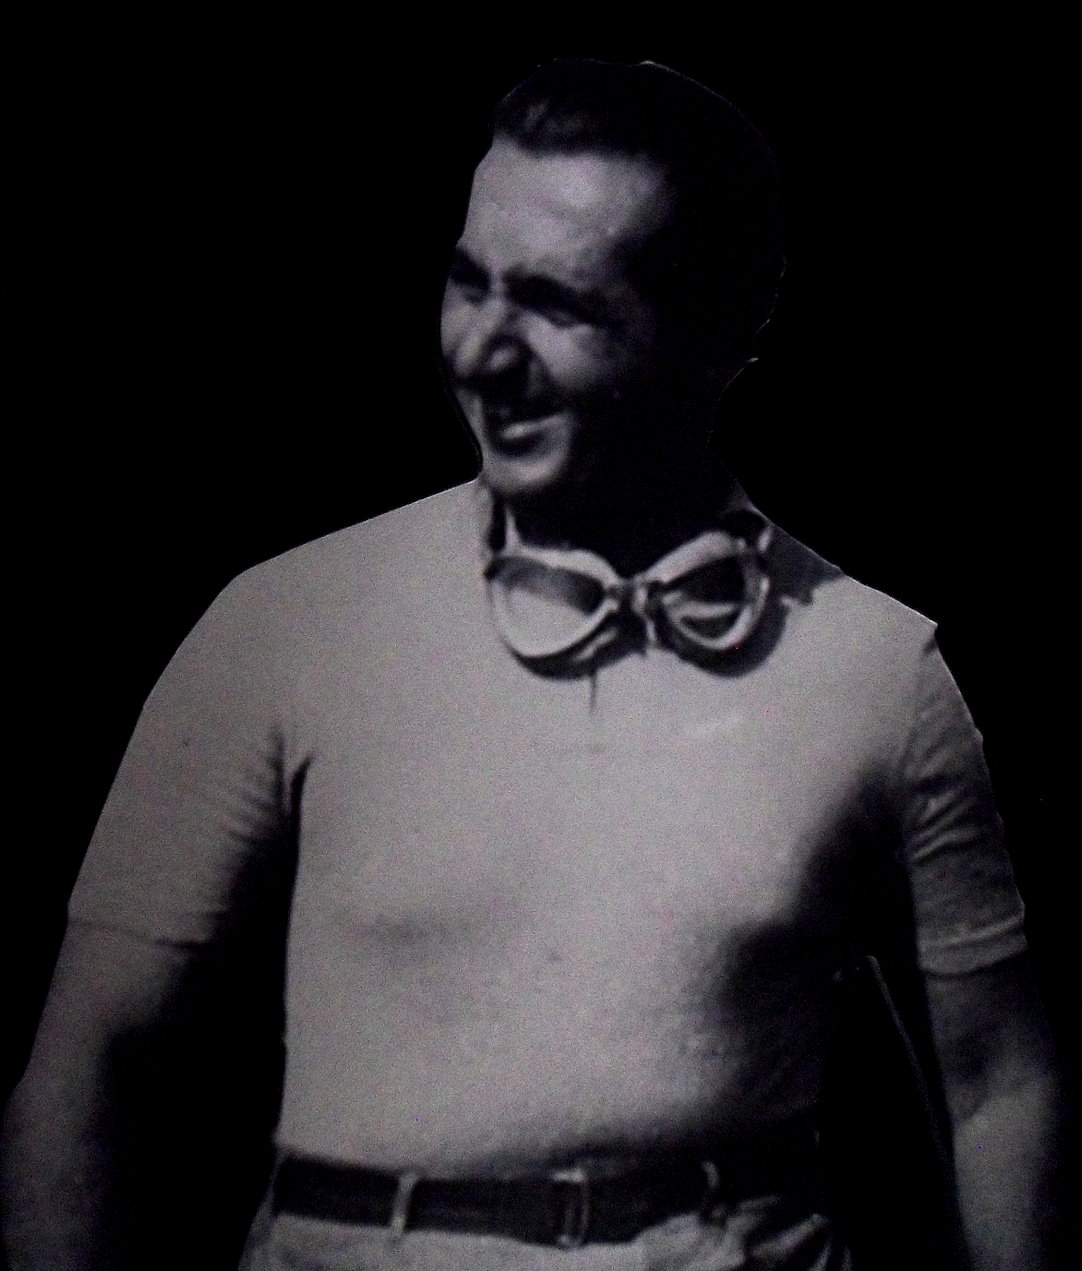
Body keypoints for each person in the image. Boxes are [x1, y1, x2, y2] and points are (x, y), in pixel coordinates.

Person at [1, 59, 1066, 1270]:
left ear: (718, 333)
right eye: (470, 282)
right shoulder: (289, 620)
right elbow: (86, 1071)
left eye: (559, 306)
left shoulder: (874, 665)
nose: (484, 354)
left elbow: (998, 1082)